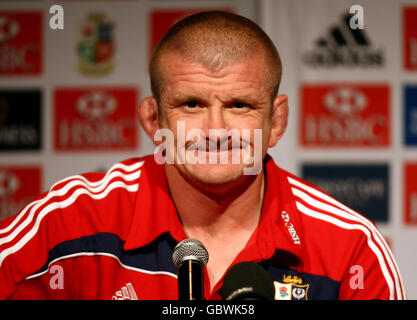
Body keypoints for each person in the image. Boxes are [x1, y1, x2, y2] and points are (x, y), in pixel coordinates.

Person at [0, 11, 405, 300]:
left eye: (240, 106)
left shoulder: (352, 250)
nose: (215, 131)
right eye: (191, 105)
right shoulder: (66, 224)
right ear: (152, 117)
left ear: (276, 121)